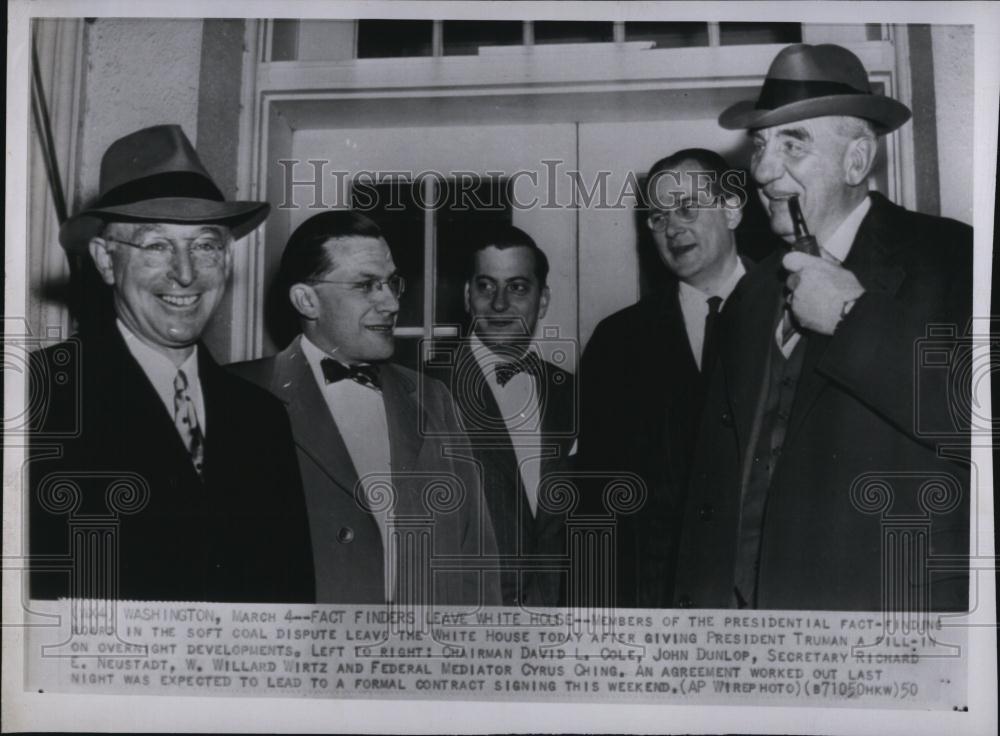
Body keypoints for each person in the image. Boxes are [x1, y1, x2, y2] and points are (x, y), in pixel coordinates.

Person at [673, 44, 971, 611]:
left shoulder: (955, 259)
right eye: (760, 145)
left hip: (887, 626)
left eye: (793, 143)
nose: (762, 171)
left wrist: (849, 316)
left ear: (857, 160)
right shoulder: (749, 296)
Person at [29, 124, 315, 603]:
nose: (185, 273)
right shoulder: (39, 399)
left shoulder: (262, 418)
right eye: (156, 245)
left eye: (204, 245)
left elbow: (292, 608)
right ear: (104, 260)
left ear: (225, 260)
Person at [230, 211, 501, 606]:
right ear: (306, 300)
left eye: (391, 282)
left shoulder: (433, 399)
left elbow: (476, 556)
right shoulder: (241, 395)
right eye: (366, 285)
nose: (391, 303)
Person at [578, 149, 753, 608]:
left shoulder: (793, 312)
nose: (672, 228)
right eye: (657, 217)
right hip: (656, 613)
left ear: (731, 210)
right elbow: (598, 510)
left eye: (686, 208)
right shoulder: (617, 341)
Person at [424, 226, 576, 607]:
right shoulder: (422, 391)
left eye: (518, 287)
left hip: (560, 626)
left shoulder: (573, 393)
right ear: (466, 296)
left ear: (543, 301)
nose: (500, 305)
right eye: (486, 287)